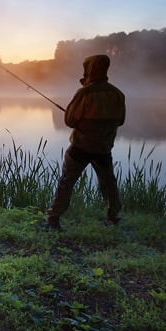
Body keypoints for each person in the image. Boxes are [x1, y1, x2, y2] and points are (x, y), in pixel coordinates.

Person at [44, 54, 126, 230]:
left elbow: (70, 121)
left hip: (80, 147)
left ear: (89, 70)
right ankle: (113, 218)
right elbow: (121, 121)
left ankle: (53, 218)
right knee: (109, 183)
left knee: (66, 182)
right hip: (104, 148)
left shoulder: (84, 93)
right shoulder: (118, 94)